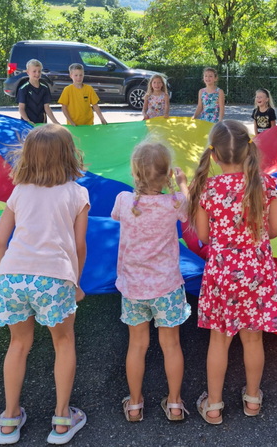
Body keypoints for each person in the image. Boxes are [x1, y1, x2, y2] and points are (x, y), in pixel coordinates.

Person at [0, 125, 89, 444]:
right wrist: (75, 282)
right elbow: (79, 245)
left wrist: (6, 274)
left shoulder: (19, 191)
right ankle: (62, 419)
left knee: (18, 344)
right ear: (68, 155)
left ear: (28, 156)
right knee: (63, 342)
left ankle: (9, 420)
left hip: (12, 276)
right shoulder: (77, 193)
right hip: (55, 276)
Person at [187, 120, 277, 424]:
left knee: (219, 341)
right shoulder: (265, 184)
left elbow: (203, 236)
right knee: (253, 340)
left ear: (214, 155)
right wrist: (255, 238)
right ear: (248, 151)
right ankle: (253, 400)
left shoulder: (208, 189)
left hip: (222, 272)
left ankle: (214, 406)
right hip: (257, 270)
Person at [111, 142, 191, 422]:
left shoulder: (124, 200)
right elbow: (189, 208)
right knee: (171, 345)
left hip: (133, 288)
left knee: (137, 345)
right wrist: (182, 184)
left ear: (134, 173)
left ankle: (134, 404)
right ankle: (175, 404)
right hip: (167, 288)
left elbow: (115, 216)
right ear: (167, 174)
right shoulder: (174, 202)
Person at [17, 59, 59, 125]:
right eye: (34, 71)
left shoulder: (44, 88)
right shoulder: (23, 89)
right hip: (28, 124)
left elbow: (47, 107)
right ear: (28, 72)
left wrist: (55, 122)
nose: (37, 74)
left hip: (42, 123)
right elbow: (21, 108)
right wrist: (27, 120)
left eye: (39, 71)